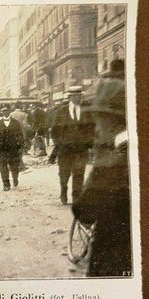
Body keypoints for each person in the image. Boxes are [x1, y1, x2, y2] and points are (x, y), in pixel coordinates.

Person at [72, 77, 130, 277]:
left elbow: (85, 210)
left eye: (100, 118)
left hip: (114, 254)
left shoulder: (112, 160)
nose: (96, 126)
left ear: (111, 120)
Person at [51, 86, 95, 204]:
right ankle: (63, 191)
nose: (78, 98)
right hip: (64, 150)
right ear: (70, 97)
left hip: (81, 150)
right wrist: (59, 144)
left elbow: (92, 129)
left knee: (79, 173)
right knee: (64, 173)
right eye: (75, 96)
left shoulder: (87, 111)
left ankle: (76, 197)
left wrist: (90, 144)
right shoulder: (61, 112)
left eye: (79, 95)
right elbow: (54, 131)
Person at [0, 105, 24, 191]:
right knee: (3, 167)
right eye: (3, 111)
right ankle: (6, 184)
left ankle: (15, 178)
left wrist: (21, 147)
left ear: (9, 111)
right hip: (2, 149)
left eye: (6, 110)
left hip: (13, 149)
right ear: (1, 112)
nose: (4, 112)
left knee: (14, 166)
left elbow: (20, 136)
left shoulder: (16, 123)